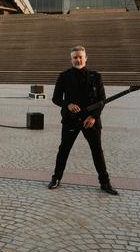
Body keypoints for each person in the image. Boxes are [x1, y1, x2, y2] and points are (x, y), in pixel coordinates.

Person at [47, 46, 118, 195]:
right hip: (71, 120)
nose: (78, 59)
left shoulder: (95, 77)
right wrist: (68, 104)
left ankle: (105, 182)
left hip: (90, 121)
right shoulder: (64, 76)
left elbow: (102, 100)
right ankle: (56, 178)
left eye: (80, 57)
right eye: (75, 57)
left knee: (97, 151)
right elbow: (56, 98)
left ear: (85, 58)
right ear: (71, 59)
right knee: (64, 150)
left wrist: (94, 117)